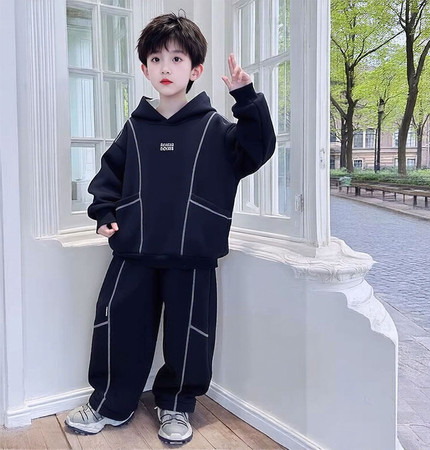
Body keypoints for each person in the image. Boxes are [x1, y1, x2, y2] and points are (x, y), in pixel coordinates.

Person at [65, 12, 276, 445]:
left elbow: (258, 148)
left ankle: (177, 405)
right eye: (156, 59)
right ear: (145, 69)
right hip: (134, 251)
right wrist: (104, 213)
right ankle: (110, 404)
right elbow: (108, 177)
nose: (166, 67)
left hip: (193, 256)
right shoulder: (135, 128)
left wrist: (245, 96)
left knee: (189, 336)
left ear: (195, 70)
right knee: (118, 326)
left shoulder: (216, 129)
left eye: (177, 59)